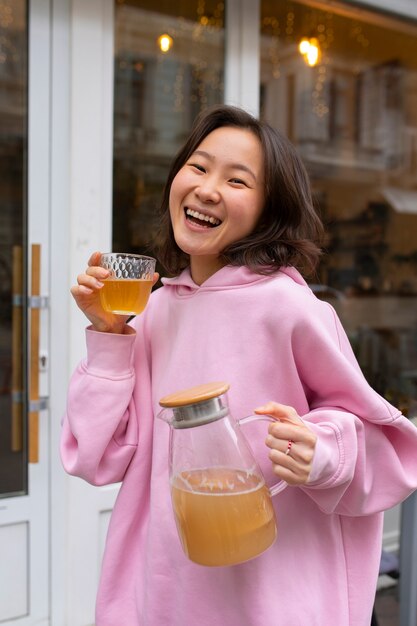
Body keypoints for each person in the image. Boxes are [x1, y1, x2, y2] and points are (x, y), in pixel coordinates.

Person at [61, 104, 417, 626]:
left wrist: (321, 450)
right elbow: (98, 458)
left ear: (268, 210)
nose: (208, 189)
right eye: (199, 167)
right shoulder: (153, 310)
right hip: (164, 595)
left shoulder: (288, 308)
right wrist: (111, 336)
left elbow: (391, 450)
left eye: (237, 180)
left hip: (270, 598)